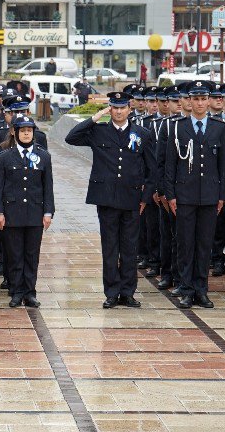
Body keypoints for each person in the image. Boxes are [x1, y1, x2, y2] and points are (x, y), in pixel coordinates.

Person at [65, 91, 156, 308]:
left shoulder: (142, 133)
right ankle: (112, 293)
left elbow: (152, 171)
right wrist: (96, 117)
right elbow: (71, 137)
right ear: (110, 109)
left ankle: (128, 292)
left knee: (129, 248)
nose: (118, 111)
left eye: (122, 107)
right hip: (106, 199)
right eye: (114, 108)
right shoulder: (99, 131)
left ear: (129, 109)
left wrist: (144, 198)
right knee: (110, 248)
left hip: (132, 199)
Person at [164, 81, 225, 309]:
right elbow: (170, 165)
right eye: (196, 99)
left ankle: (201, 290)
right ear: (189, 101)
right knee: (185, 244)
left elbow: (224, 167)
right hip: (184, 195)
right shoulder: (178, 127)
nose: (200, 103)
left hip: (210, 196)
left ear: (209, 100)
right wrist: (171, 195)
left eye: (204, 99)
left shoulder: (219, 127)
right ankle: (186, 288)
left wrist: (221, 196)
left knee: (204, 245)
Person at [0, 115, 54, 308]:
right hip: (12, 213)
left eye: (29, 130)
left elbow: (48, 187)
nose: (26, 134)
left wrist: (48, 212)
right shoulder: (4, 156)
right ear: (15, 132)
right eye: (22, 130)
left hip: (35, 212)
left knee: (31, 255)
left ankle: (30, 292)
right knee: (14, 255)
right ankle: (17, 291)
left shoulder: (43, 156)